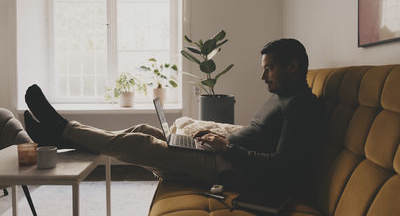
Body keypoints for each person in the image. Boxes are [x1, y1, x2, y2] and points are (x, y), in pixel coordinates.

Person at [24, 38, 324, 196]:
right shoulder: (284, 98)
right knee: (144, 127)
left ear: (294, 67)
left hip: (229, 169)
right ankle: (61, 134)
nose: (263, 75)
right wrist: (209, 134)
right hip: (222, 154)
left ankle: (62, 129)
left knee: (142, 143)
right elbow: (258, 133)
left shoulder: (301, 107)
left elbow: (282, 167)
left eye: (269, 68)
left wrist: (227, 148)